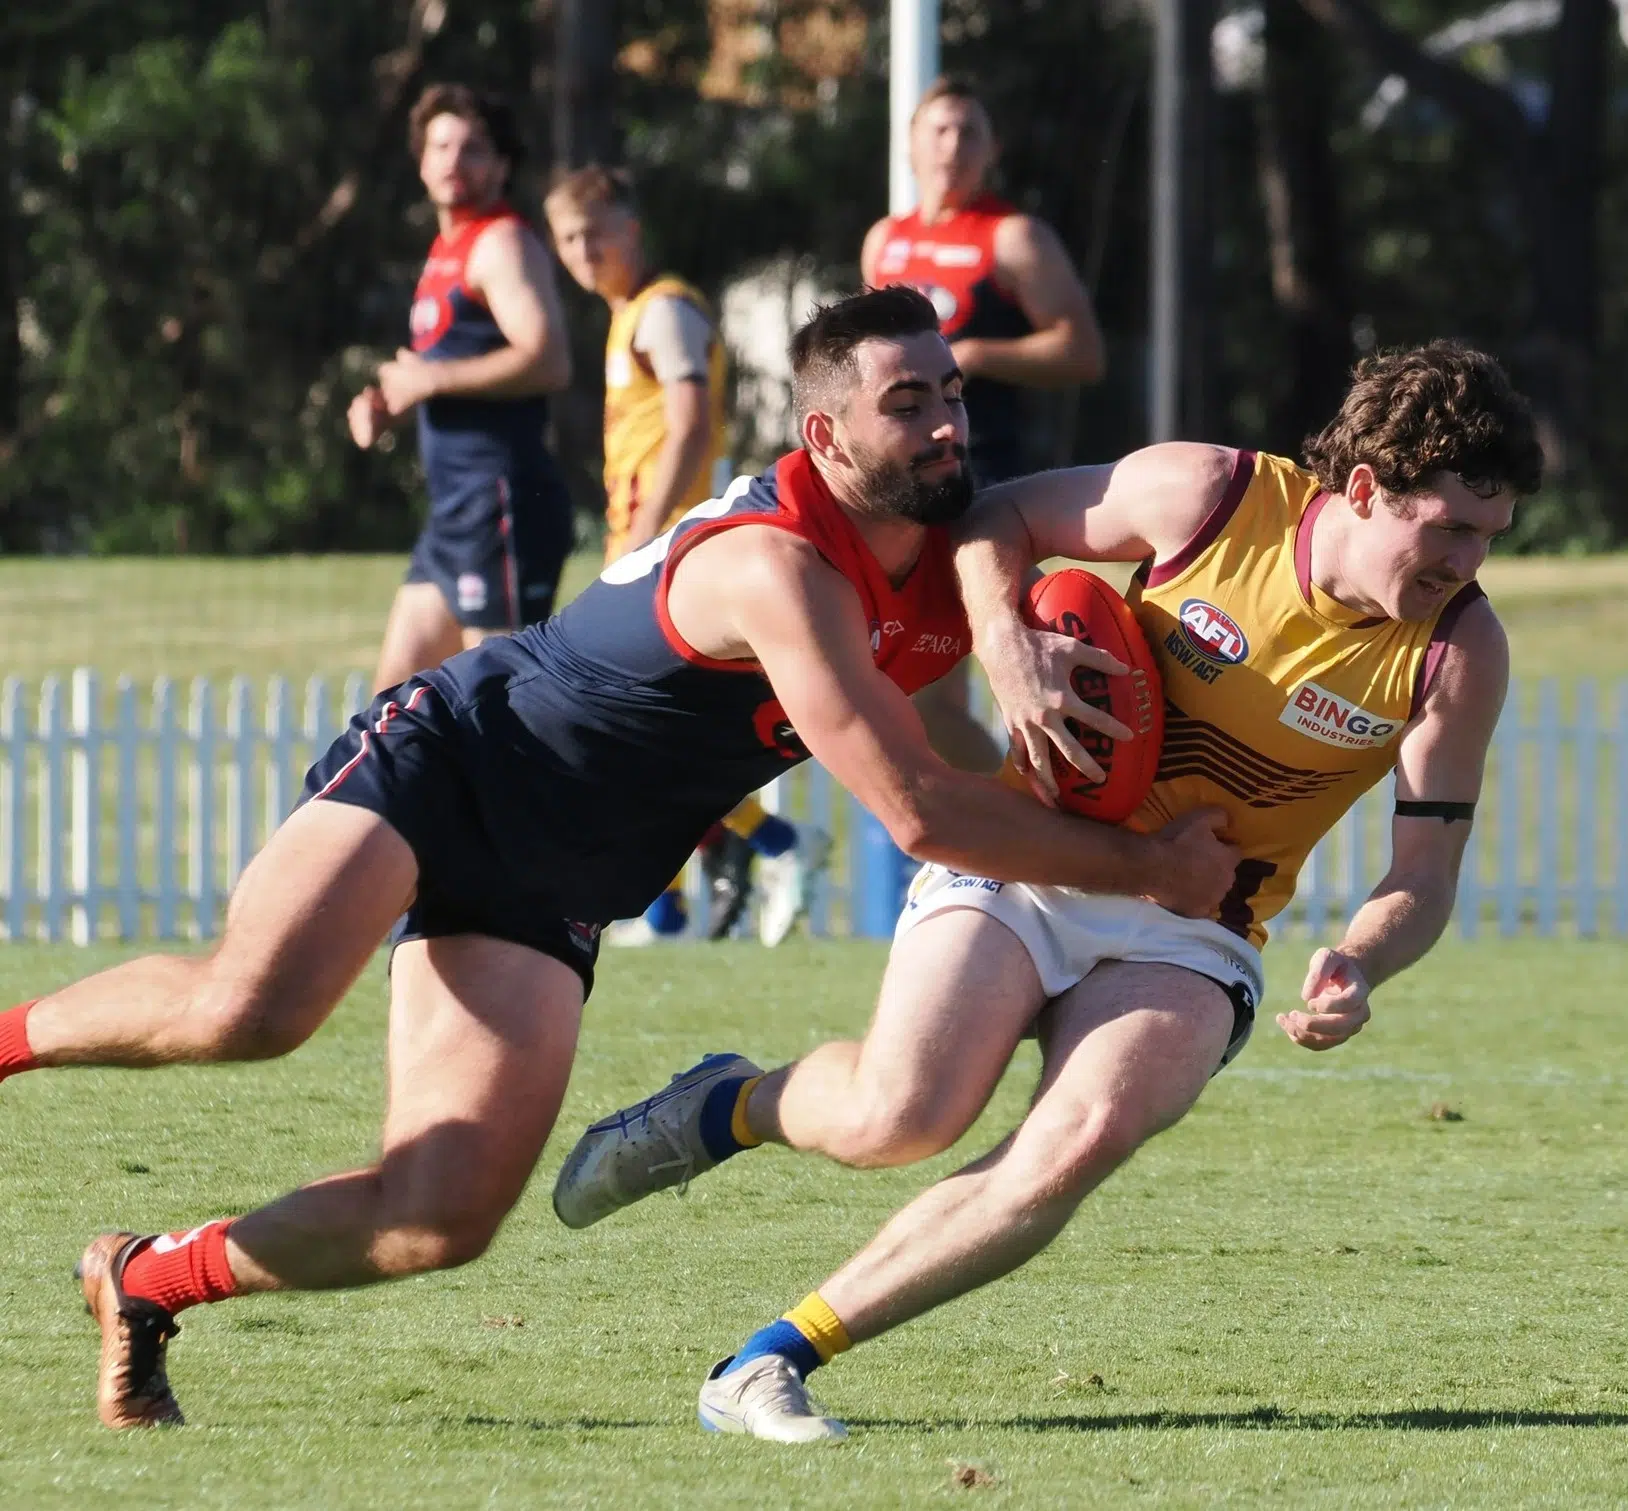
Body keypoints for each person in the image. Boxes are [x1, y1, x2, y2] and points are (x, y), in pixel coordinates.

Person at [0, 287, 1238, 1432]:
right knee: (252, 1007)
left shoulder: (929, 551)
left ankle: (146, 1275)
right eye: (905, 404)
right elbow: (914, 806)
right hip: (457, 759)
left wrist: (1050, 715)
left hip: (562, 876)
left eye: (952, 395)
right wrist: (1144, 867)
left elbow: (960, 732)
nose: (944, 426)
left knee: (438, 1215)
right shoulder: (776, 563)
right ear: (824, 432)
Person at [554, 342, 1546, 1443]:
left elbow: (1422, 874)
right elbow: (995, 521)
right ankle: (725, 1103)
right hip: (1038, 855)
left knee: (1073, 1142)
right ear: (1364, 489)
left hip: (1199, 928)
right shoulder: (1213, 498)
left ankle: (767, 1360)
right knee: (902, 1115)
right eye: (1447, 526)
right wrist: (1007, 646)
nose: (1464, 559)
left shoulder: (1457, 651)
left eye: (1486, 536)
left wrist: (1360, 959)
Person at [544, 162, 828, 946]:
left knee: (628, 725)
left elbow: (691, 425)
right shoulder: (630, 313)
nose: (581, 250)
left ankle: (769, 851)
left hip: (670, 550)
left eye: (594, 232)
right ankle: (671, 909)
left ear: (631, 230)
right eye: (567, 238)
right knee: (645, 732)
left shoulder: (663, 312)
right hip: (648, 540)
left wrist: (644, 537)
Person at [864, 75, 1106, 775]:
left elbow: (1082, 350)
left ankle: (1043, 830)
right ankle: (1006, 829)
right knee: (917, 703)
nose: (953, 145)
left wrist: (973, 356)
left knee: (1018, 678)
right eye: (938, 129)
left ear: (993, 148)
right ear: (910, 144)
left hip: (985, 487)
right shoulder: (886, 241)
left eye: (970, 131)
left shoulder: (1013, 237)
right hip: (902, 496)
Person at [348, 84, 575, 691]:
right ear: (421, 162)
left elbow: (549, 360)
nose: (453, 160)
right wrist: (389, 404)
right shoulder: (446, 249)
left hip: (502, 504)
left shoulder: (502, 243)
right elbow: (446, 375)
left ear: (502, 165)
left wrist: (431, 378)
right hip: (453, 517)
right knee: (394, 708)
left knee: (498, 707)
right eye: (440, 145)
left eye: (473, 148)